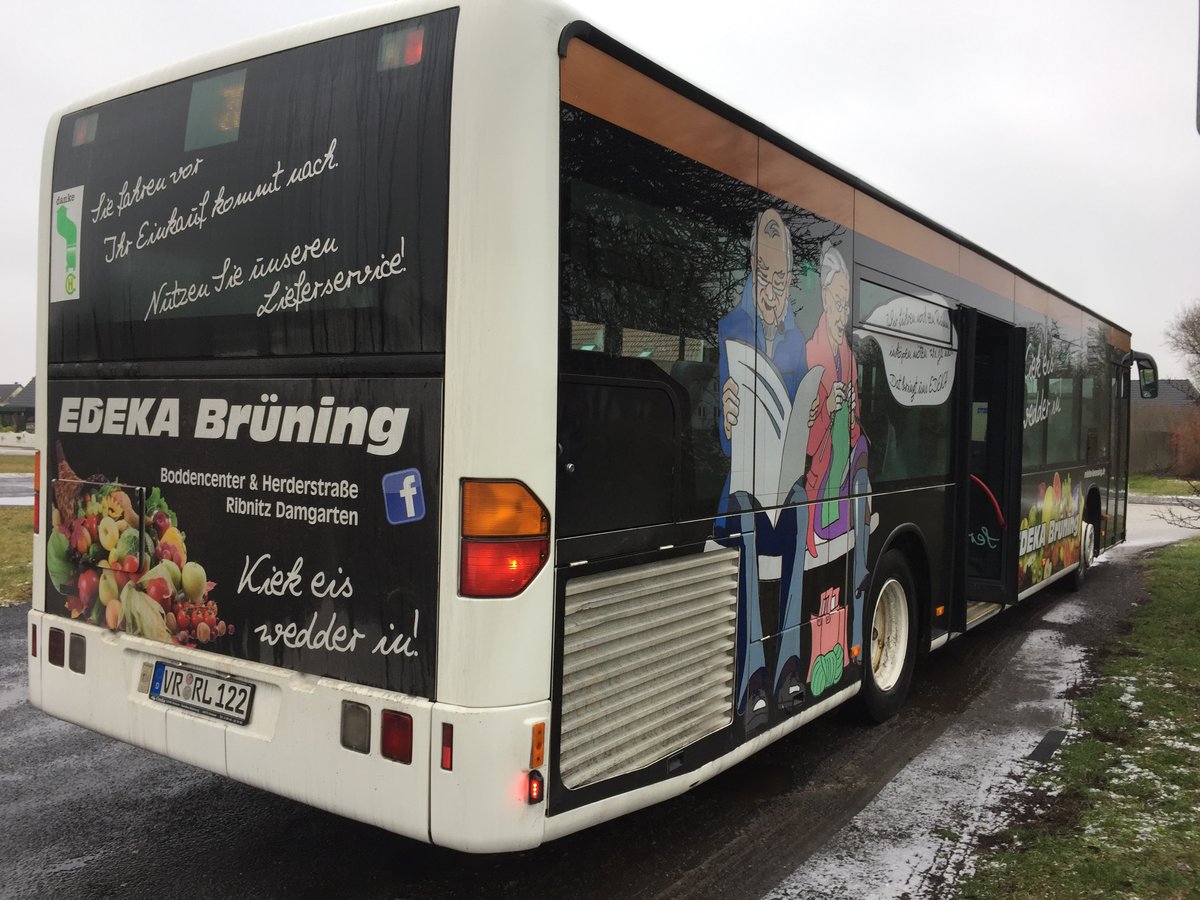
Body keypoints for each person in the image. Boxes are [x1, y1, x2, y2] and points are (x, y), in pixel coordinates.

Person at [715, 208, 808, 730]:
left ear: (790, 278)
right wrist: (725, 419)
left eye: (781, 278)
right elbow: (715, 440)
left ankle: (789, 664)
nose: (773, 288)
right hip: (740, 492)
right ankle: (752, 677)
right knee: (748, 517)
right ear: (752, 269)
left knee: (798, 508)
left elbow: (794, 429)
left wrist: (807, 418)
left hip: (782, 486)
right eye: (764, 276)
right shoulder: (731, 328)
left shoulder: (795, 343)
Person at [803, 241, 871, 694]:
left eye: (848, 302)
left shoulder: (849, 355)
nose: (843, 308)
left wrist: (847, 420)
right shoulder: (810, 354)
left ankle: (861, 569)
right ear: (824, 296)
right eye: (837, 299)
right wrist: (824, 408)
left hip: (843, 479)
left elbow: (857, 429)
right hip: (815, 483)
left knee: (864, 458)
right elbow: (800, 442)